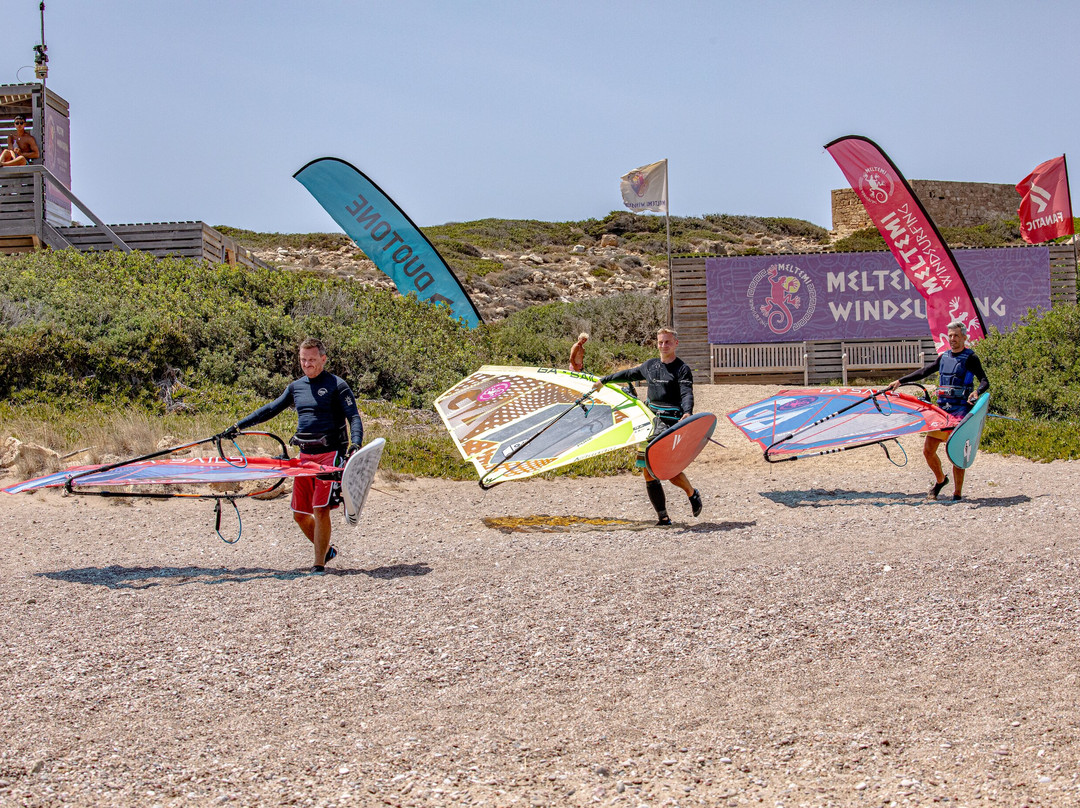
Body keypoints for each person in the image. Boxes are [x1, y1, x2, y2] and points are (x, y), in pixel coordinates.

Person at [221, 338, 364, 572]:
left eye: (312, 360)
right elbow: (269, 409)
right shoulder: (296, 387)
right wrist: (238, 427)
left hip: (331, 456)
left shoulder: (337, 385)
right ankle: (326, 550)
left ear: (323, 359)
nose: (307, 364)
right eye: (303, 360)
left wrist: (355, 444)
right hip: (304, 458)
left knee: (320, 509)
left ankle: (318, 564)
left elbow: (354, 417)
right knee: (299, 514)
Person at [592, 327, 702, 525]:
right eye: (660, 342)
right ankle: (663, 517)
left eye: (667, 342)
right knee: (647, 470)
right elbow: (629, 374)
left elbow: (687, 393)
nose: (663, 345)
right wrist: (604, 381)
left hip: (671, 422)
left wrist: (688, 412)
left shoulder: (682, 368)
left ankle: (692, 493)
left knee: (665, 468)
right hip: (651, 422)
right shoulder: (650, 366)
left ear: (676, 343)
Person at [886, 320, 989, 502]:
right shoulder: (944, 358)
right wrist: (900, 381)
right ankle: (941, 481)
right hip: (942, 412)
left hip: (960, 412)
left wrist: (976, 392)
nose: (953, 339)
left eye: (956, 335)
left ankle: (957, 494)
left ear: (964, 337)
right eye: (950, 336)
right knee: (928, 451)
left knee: (956, 453)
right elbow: (924, 371)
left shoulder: (970, 358)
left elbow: (984, 381)